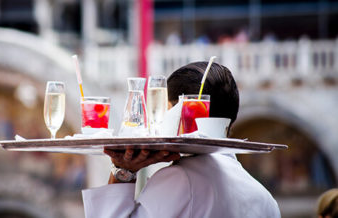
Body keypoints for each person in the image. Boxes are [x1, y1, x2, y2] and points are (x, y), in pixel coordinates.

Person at [82, 61, 281, 218]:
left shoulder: (179, 180)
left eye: (166, 111)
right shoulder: (265, 198)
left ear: (184, 115)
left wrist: (122, 171)